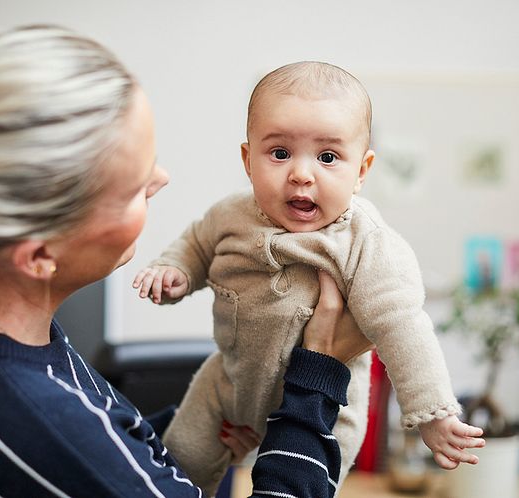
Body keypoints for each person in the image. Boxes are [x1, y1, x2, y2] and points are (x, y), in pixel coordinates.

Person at [0, 25, 375, 498]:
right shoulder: (51, 425)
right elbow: (81, 459)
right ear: (41, 254)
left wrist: (189, 431)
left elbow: (75, 464)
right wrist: (320, 371)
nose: (160, 178)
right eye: (134, 187)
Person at [133, 61, 486, 494]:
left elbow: (403, 327)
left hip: (324, 407)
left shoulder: (364, 242)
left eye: (327, 157)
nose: (301, 174)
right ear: (248, 160)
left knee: (306, 479)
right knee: (174, 467)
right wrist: (175, 272)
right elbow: (196, 245)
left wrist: (432, 413)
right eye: (279, 153)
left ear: (361, 171)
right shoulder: (230, 215)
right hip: (227, 386)